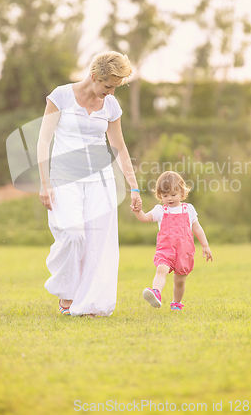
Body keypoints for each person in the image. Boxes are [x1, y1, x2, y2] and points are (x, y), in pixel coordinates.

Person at [37, 51, 142, 317]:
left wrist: (134, 186)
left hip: (100, 180)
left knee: (98, 243)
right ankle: (68, 294)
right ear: (94, 76)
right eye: (108, 86)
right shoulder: (60, 96)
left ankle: (91, 304)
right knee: (73, 235)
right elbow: (43, 141)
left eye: (115, 88)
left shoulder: (111, 105)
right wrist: (44, 183)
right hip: (64, 178)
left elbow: (118, 146)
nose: (111, 93)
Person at [132, 170, 212, 311]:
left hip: (184, 251)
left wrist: (205, 245)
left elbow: (197, 228)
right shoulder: (160, 210)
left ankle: (176, 302)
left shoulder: (189, 209)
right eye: (165, 195)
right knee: (161, 269)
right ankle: (156, 292)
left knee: (180, 280)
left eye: (173, 194)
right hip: (166, 250)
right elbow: (144, 218)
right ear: (160, 196)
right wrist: (138, 211)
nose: (169, 198)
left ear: (182, 192)